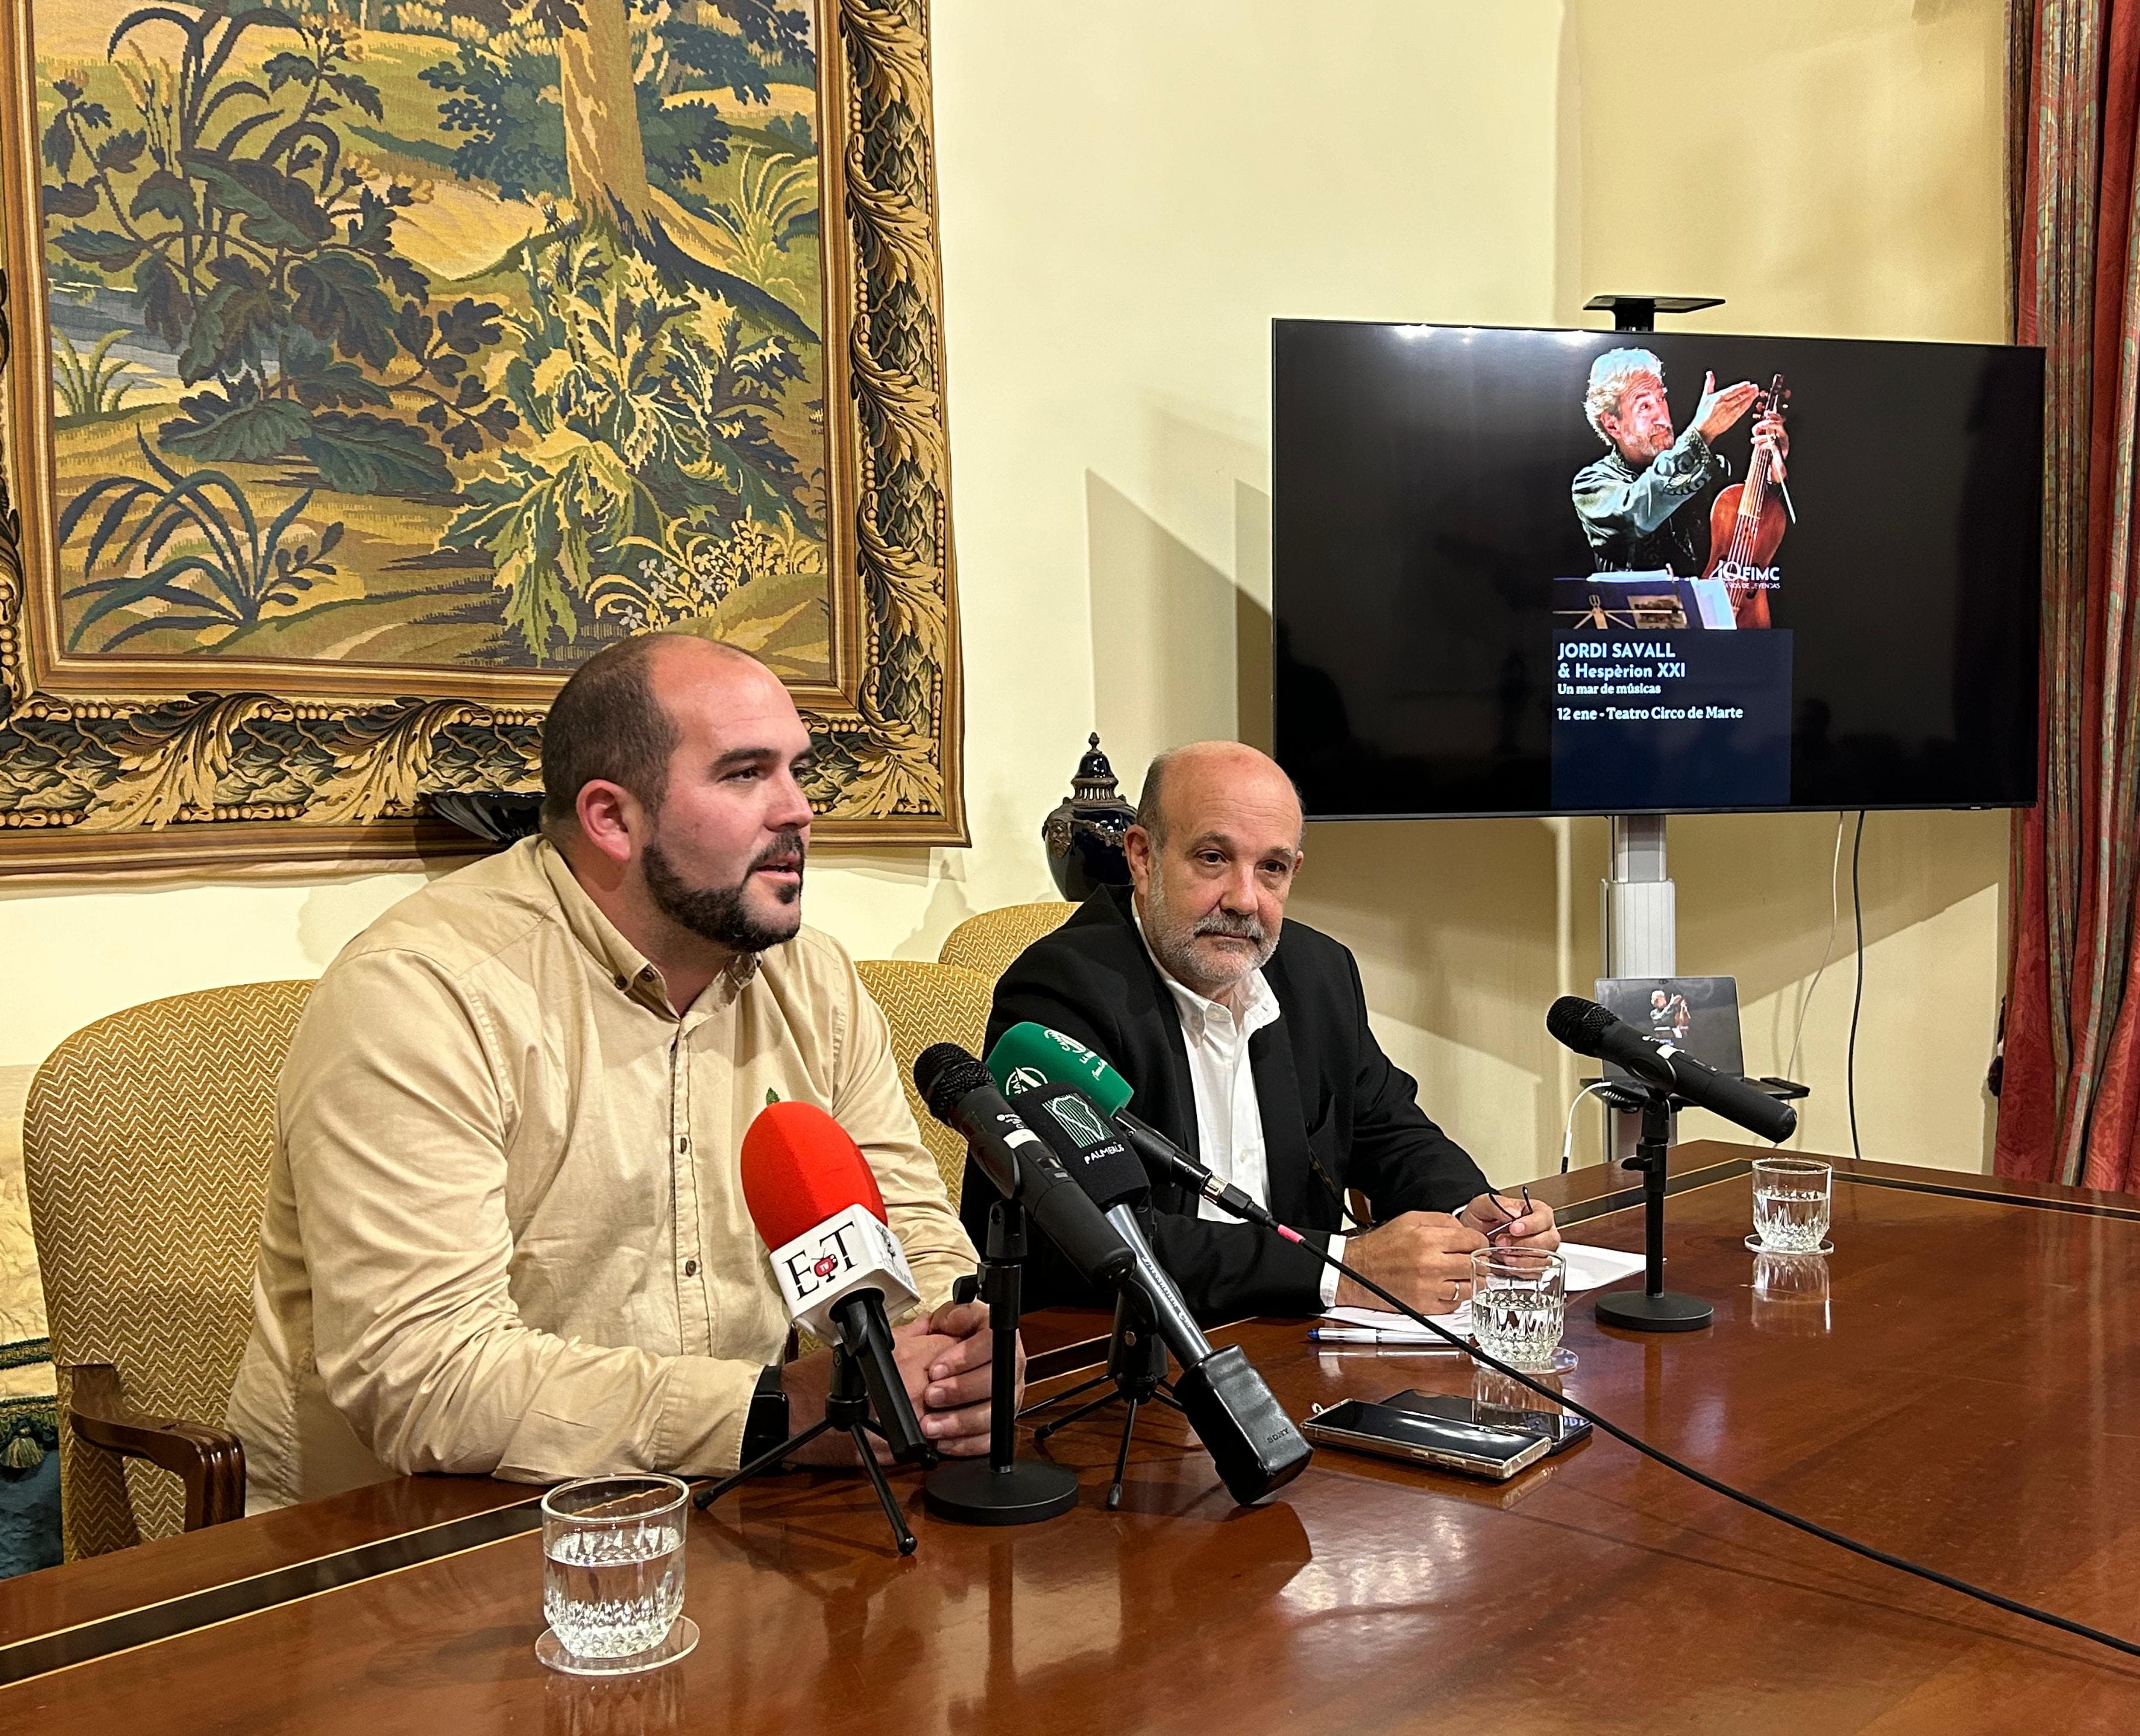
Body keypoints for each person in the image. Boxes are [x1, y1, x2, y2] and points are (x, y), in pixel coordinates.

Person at [227, 633, 1002, 1510]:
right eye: (747, 774)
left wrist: (953, 1350)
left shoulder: (813, 980)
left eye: (798, 770)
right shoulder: (423, 994)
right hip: (406, 1550)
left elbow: (908, 1237)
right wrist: (779, 1413)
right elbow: (427, 1377)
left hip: (733, 1505)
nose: (798, 810)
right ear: (612, 819)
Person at [977, 741, 1561, 1322]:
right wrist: (1343, 1269)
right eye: (1212, 858)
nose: (1244, 899)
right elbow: (1091, 1237)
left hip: (1290, 1339)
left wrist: (1472, 1211)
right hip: (1116, 1351)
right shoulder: (1061, 990)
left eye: (1272, 869)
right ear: (1142, 856)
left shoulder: (1318, 973)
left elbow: (1391, 1132)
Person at [1569, 347, 1789, 579]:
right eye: (1644, 406)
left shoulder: (1709, 471)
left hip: (1710, 614)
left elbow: (1750, 545)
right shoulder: (1591, 485)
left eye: (1661, 398)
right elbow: (1635, 513)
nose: (1663, 418)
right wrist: (1700, 434)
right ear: (1612, 424)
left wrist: (1771, 477)